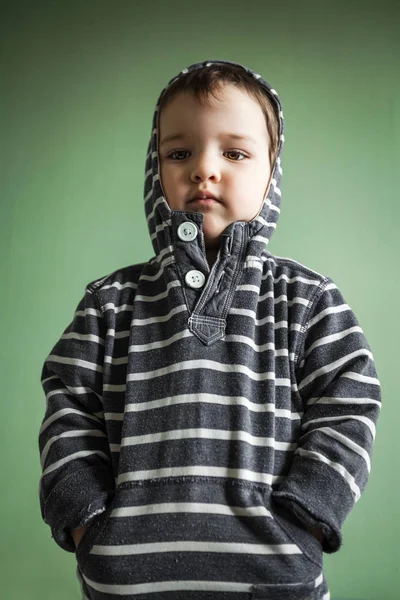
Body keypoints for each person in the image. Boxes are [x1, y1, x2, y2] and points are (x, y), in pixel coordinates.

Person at [38, 59, 381, 600]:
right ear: (155, 173)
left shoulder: (308, 298)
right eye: (179, 153)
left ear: (271, 174)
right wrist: (87, 524)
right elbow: (68, 412)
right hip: (125, 580)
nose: (204, 169)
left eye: (235, 153)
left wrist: (309, 517)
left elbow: (349, 404)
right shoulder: (110, 302)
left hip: (278, 577)